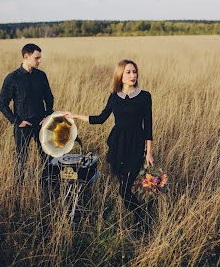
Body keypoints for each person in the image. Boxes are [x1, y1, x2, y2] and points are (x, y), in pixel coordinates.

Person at [63, 59, 154, 213]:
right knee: (123, 188)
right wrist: (75, 116)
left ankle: (142, 219)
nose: (133, 75)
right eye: (128, 72)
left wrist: (149, 152)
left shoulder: (145, 96)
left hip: (136, 145)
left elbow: (148, 127)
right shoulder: (114, 97)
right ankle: (140, 218)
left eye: (134, 71)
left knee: (124, 190)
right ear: (120, 75)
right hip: (118, 145)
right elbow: (100, 119)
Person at [0, 43, 54, 182]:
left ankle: (48, 184)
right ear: (26, 57)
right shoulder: (13, 78)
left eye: (40, 58)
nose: (39, 61)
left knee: (47, 156)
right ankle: (19, 188)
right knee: (21, 158)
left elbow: (49, 97)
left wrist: (47, 115)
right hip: (23, 125)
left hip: (42, 124)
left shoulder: (41, 75)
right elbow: (2, 104)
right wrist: (17, 121)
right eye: (37, 58)